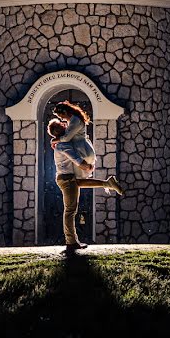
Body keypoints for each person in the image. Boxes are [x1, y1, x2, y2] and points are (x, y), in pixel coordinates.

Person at [48, 105, 123, 251]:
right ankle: (71, 242)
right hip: (66, 179)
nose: (64, 123)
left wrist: (56, 140)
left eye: (63, 120)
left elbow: (71, 146)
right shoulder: (63, 145)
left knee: (79, 189)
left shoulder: (64, 140)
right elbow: (74, 157)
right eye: (61, 123)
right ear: (58, 131)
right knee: (70, 211)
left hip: (68, 178)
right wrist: (85, 166)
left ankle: (107, 183)